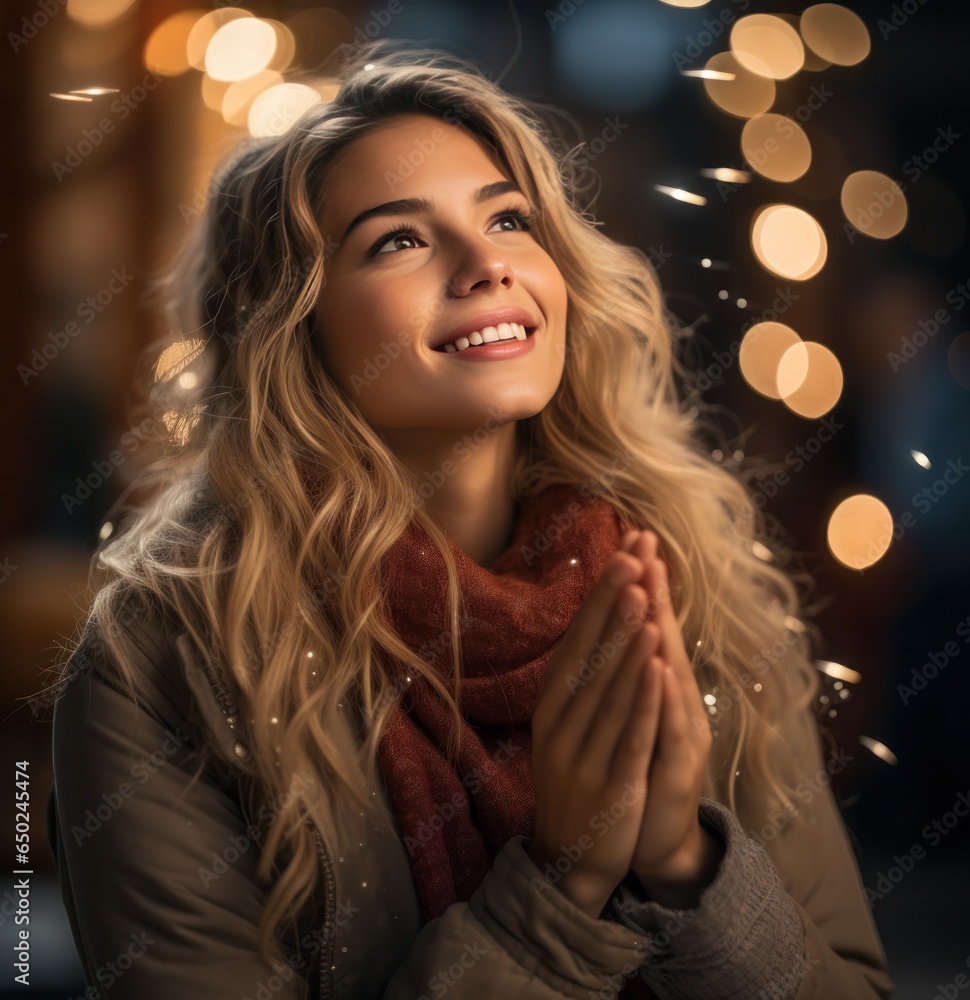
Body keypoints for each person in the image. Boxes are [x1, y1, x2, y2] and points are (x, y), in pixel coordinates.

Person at [45, 40, 893, 1000]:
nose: (487, 262)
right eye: (399, 239)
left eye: (509, 218)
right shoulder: (165, 655)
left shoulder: (694, 573)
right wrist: (562, 891)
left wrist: (687, 863)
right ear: (294, 325)